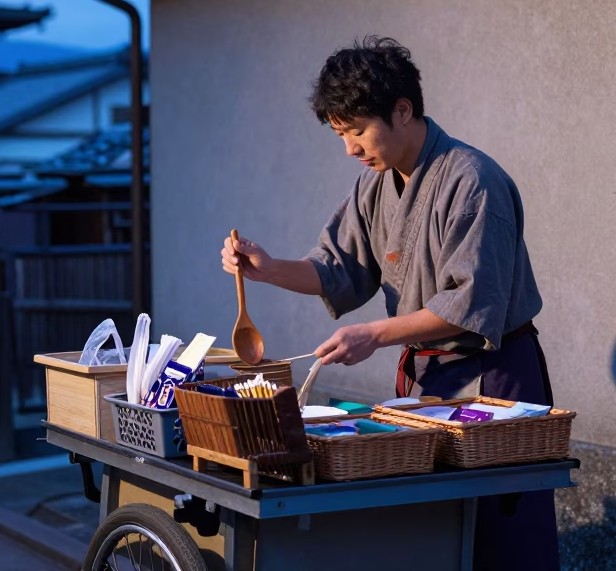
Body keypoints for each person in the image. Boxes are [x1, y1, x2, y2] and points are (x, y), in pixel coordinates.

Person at [219, 36, 558, 569]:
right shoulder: (374, 187)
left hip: (494, 379)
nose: (350, 149)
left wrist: (373, 335)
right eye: (340, 134)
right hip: (429, 379)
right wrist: (268, 269)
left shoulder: (473, 179)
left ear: (403, 110)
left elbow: (466, 305)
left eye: (357, 130)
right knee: (432, 530)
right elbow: (337, 269)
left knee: (500, 535)